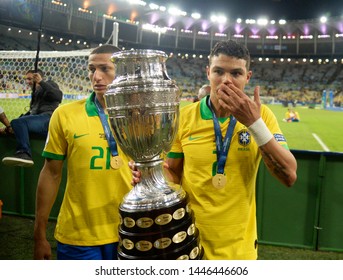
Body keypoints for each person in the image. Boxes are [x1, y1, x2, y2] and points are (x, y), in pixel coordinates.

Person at [131, 40, 297, 260]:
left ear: (248, 77)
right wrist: (153, 178)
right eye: (219, 71)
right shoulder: (185, 116)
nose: (226, 80)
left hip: (239, 249)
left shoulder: (262, 116)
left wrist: (253, 124)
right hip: (188, 243)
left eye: (236, 73)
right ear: (208, 72)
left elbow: (289, 175)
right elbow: (173, 170)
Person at [33, 44, 132, 260]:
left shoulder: (142, 117)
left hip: (130, 233)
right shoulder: (64, 115)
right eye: (91, 69)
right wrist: (39, 235)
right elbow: (51, 173)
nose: (96, 76)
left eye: (105, 69)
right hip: (77, 235)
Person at [2, 69, 63, 167]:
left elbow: (58, 96)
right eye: (27, 79)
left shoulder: (49, 84)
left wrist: (41, 82)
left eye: (30, 79)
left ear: (38, 77)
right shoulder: (35, 92)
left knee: (18, 123)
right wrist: (10, 127)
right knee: (17, 123)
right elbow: (32, 112)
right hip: (41, 122)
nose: (27, 82)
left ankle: (24, 152)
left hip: (49, 119)